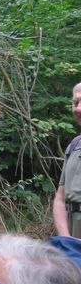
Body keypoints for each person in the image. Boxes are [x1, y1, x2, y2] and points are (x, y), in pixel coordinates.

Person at [54, 82, 81, 239]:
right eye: (75, 102)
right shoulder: (74, 146)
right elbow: (60, 199)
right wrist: (66, 240)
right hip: (73, 236)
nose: (78, 109)